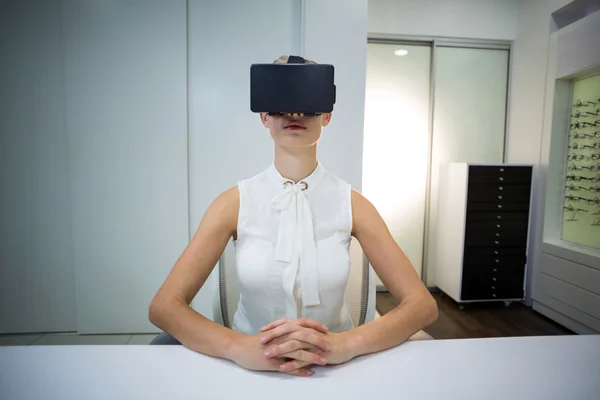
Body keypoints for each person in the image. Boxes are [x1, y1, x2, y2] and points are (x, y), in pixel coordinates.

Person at [149, 55, 438, 377]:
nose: (295, 114)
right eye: (280, 105)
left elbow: (422, 305)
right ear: (263, 115)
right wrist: (237, 347)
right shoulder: (232, 203)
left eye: (308, 104)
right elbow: (165, 305)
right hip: (248, 368)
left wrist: (345, 345)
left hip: (337, 369)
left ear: (327, 114)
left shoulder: (354, 204)